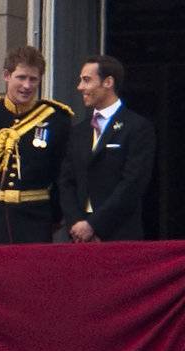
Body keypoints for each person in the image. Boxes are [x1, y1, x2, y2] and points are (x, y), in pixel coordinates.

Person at [0, 46, 73, 244]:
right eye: (21, 77)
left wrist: (53, 216)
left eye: (33, 79)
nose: (27, 86)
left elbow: (62, 175)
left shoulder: (56, 119)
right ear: (6, 75)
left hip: (35, 220)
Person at [59, 55, 156, 243]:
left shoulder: (137, 127)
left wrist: (94, 225)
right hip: (79, 238)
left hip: (118, 234)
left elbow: (133, 184)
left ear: (108, 82)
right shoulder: (79, 131)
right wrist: (77, 223)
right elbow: (66, 181)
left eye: (87, 80)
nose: (80, 87)